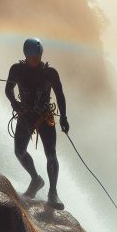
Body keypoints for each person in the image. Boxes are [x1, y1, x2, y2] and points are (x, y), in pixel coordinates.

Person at [5, 38, 69, 210]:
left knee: (51, 154)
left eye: (37, 57)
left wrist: (63, 117)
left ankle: (53, 193)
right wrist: (15, 104)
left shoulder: (50, 73)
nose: (34, 61)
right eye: (31, 57)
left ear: (41, 55)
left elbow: (60, 95)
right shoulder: (17, 69)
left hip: (44, 116)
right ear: (25, 55)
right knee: (19, 151)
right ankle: (36, 179)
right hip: (25, 115)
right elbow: (8, 89)